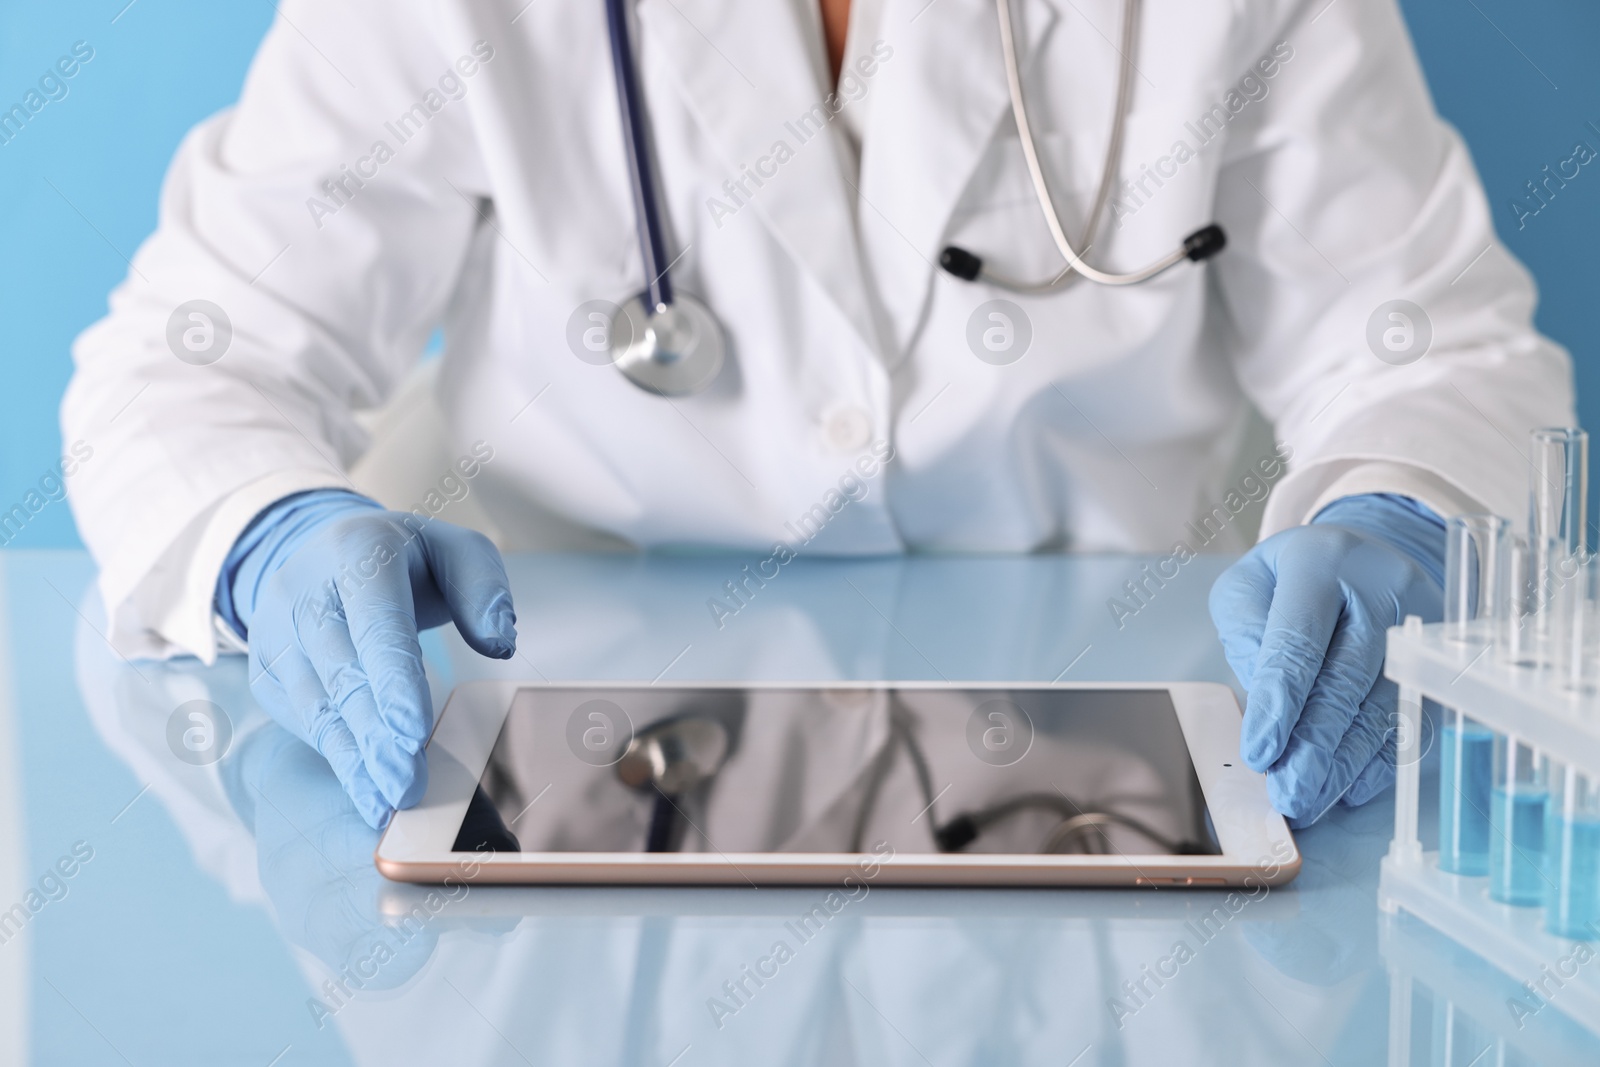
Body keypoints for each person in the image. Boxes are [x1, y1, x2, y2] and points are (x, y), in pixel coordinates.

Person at [62, 0, 1572, 829]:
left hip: (1120, 739)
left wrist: (1402, 518)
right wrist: (271, 531)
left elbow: (1431, 353)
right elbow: (194, 359)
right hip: (549, 746)